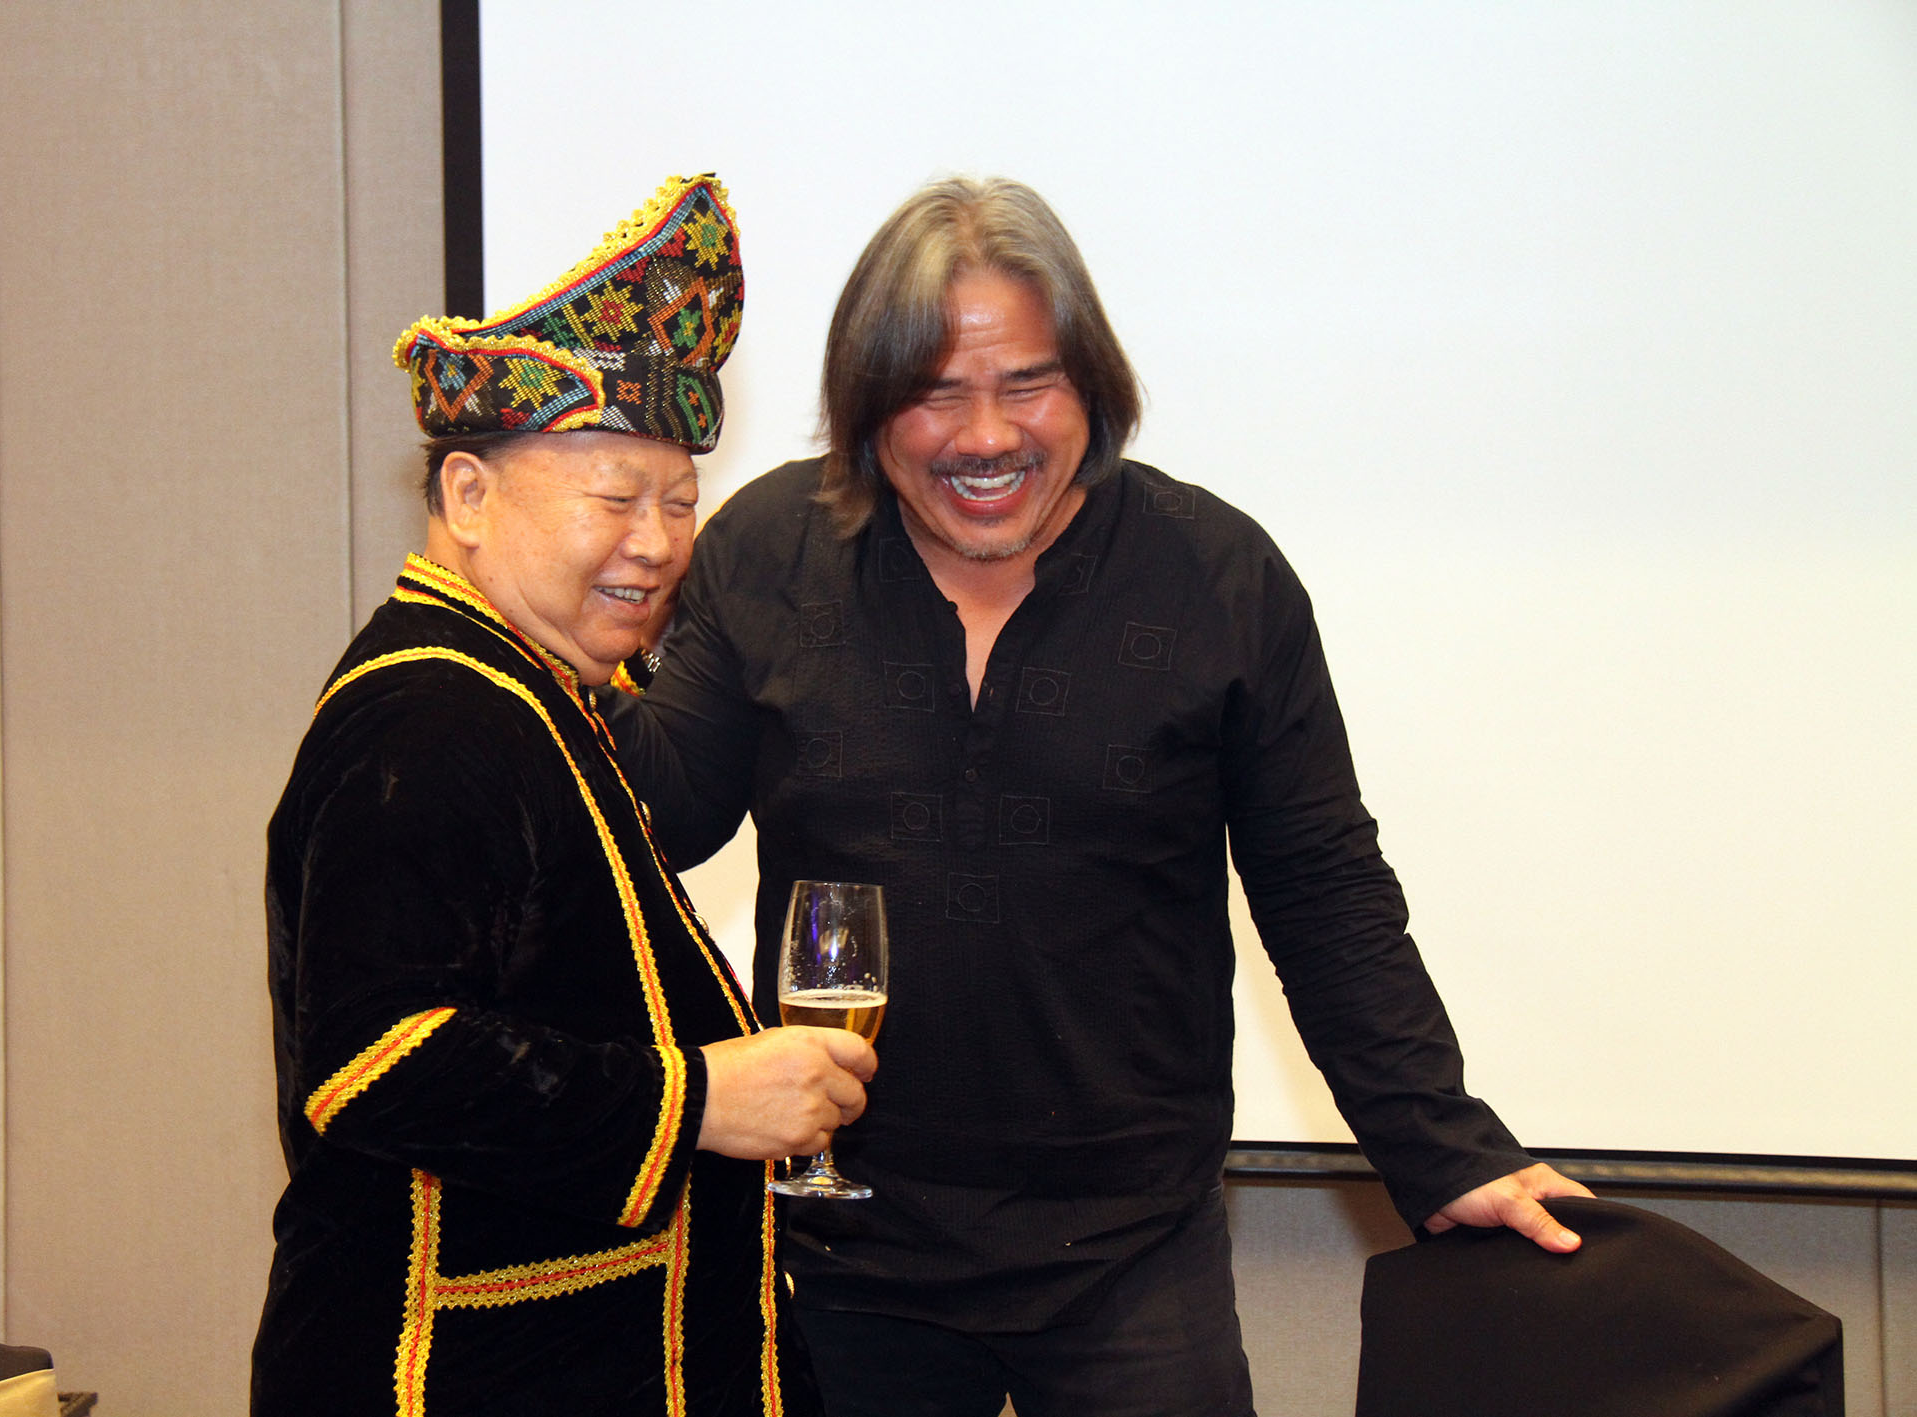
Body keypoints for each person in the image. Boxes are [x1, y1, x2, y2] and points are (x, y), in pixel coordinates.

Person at [603, 176, 1591, 1417]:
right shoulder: (766, 549)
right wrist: (545, 626)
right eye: (933, 394)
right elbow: (659, 819)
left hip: (1131, 1254)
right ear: (864, 408)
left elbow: (1324, 893)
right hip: (840, 1247)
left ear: (1092, 386)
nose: (984, 436)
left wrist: (1442, 1147)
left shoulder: (1217, 577)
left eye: (1027, 384)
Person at [252, 174, 873, 1417]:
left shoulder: (534, 690)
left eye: (679, 502)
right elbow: (376, 1059)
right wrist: (701, 1098)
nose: (658, 542)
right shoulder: (429, 713)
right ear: (468, 496)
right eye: (614, 498)